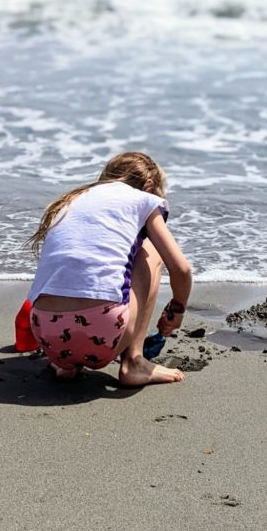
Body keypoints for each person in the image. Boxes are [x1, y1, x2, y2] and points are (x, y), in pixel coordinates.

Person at [26, 151, 192, 386]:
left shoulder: (71, 201)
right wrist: (178, 309)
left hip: (47, 335)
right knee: (150, 250)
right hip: (102, 333)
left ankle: (68, 364)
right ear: (149, 185)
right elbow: (181, 270)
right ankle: (134, 362)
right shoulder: (144, 199)